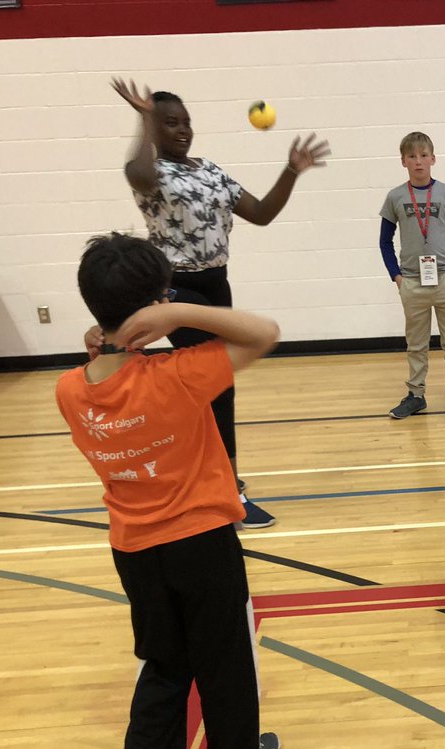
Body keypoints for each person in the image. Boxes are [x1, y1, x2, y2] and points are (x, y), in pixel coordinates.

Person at [58, 233, 281, 749]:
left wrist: (115, 335)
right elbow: (264, 333)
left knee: (163, 657)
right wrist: (176, 312)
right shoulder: (180, 373)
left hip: (133, 549)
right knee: (223, 653)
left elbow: (104, 370)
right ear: (155, 301)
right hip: (201, 541)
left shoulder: (69, 390)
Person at [108, 77, 330, 528]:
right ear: (156, 129)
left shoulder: (209, 170)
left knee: (211, 387)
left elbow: (262, 213)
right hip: (176, 291)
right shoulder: (151, 174)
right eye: (171, 123)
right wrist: (144, 118)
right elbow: (139, 171)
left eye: (186, 122)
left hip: (216, 285)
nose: (183, 129)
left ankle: (208, 479)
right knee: (215, 385)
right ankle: (227, 490)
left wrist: (291, 171)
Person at [379, 131, 445, 422]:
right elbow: (384, 241)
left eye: (423, 155)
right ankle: (416, 396)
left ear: (433, 158)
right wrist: (396, 276)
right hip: (412, 281)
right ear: (403, 161)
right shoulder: (395, 196)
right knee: (416, 344)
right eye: (411, 156)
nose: (418, 161)